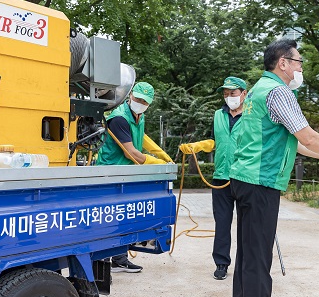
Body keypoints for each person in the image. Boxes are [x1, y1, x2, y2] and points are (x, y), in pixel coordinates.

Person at [229, 39, 319, 297]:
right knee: (258, 257)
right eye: (298, 62)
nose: (300, 68)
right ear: (283, 63)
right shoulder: (279, 92)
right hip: (261, 183)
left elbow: (292, 140)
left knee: (247, 254)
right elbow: (306, 135)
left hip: (246, 180)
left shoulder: (258, 90)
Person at [97, 81, 172, 272]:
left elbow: (143, 138)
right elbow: (131, 153)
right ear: (130, 95)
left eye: (144, 101)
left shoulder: (138, 115)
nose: (140, 103)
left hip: (125, 174)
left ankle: (119, 259)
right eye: (137, 99)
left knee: (122, 218)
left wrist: (161, 153)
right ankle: (101, 261)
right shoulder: (119, 118)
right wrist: (159, 164)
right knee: (109, 219)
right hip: (111, 173)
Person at [179, 76, 248, 281]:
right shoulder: (218, 114)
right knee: (222, 222)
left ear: (244, 94)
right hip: (220, 177)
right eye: (225, 94)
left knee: (247, 225)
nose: (229, 97)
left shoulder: (253, 115)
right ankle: (221, 263)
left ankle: (246, 265)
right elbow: (215, 141)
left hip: (244, 177)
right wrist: (198, 146)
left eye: (233, 93)